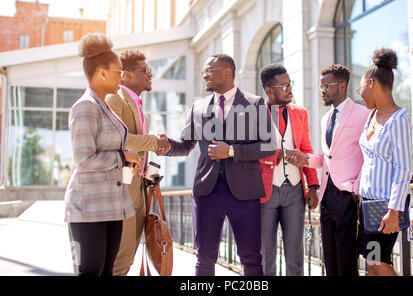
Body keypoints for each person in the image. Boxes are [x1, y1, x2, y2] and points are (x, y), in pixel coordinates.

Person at [159, 54, 275, 276]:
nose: (204, 75)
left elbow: (269, 145)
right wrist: (166, 146)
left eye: (208, 71)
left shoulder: (255, 103)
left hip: (245, 192)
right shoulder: (198, 107)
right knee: (204, 257)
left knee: (251, 258)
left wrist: (231, 151)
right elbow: (185, 144)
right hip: (207, 192)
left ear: (227, 72)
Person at [64, 33, 142, 276]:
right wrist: (123, 157)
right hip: (88, 208)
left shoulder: (105, 105)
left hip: (112, 205)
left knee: (107, 271)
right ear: (101, 73)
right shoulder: (85, 107)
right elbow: (84, 160)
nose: (122, 77)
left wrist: (127, 163)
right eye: (118, 72)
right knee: (90, 271)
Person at [105, 49, 170, 276]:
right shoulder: (115, 99)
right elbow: (115, 137)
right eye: (146, 70)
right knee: (120, 258)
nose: (150, 75)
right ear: (125, 75)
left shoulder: (138, 105)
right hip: (122, 188)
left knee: (128, 257)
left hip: (140, 188)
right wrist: (153, 143)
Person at [306, 64, 369, 276]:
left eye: (327, 86)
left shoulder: (362, 114)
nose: (322, 90)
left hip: (347, 195)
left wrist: (356, 188)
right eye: (321, 86)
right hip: (326, 195)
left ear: (342, 85)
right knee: (330, 258)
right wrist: (304, 159)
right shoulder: (326, 119)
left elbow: (369, 156)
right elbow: (328, 158)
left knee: (346, 258)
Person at [258, 64, 320, 276]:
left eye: (289, 83)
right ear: (269, 90)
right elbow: (251, 153)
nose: (289, 88)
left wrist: (312, 185)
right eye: (283, 85)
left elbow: (306, 149)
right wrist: (279, 154)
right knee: (266, 256)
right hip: (265, 192)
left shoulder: (300, 113)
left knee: (295, 255)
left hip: (294, 190)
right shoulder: (255, 114)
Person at [356, 48, 412, 276]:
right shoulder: (371, 116)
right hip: (367, 203)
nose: (359, 94)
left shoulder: (399, 119)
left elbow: (403, 167)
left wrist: (394, 210)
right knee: (371, 261)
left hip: (385, 206)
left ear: (371, 83)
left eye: (360, 88)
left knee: (378, 261)